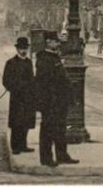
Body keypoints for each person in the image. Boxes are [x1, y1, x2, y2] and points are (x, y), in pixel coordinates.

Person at [35, 32, 78, 166]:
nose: (58, 44)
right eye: (55, 41)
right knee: (48, 129)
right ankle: (46, 158)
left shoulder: (53, 57)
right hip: (50, 101)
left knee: (60, 129)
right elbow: (45, 82)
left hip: (59, 101)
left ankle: (62, 155)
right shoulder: (44, 59)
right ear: (48, 42)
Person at [3, 37, 36, 155]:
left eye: (25, 48)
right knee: (16, 123)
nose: (23, 51)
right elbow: (5, 81)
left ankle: (23, 145)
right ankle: (15, 147)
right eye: (21, 48)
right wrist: (16, 88)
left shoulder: (29, 62)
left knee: (26, 122)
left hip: (28, 98)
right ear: (17, 49)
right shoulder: (11, 63)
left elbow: (32, 79)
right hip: (17, 98)